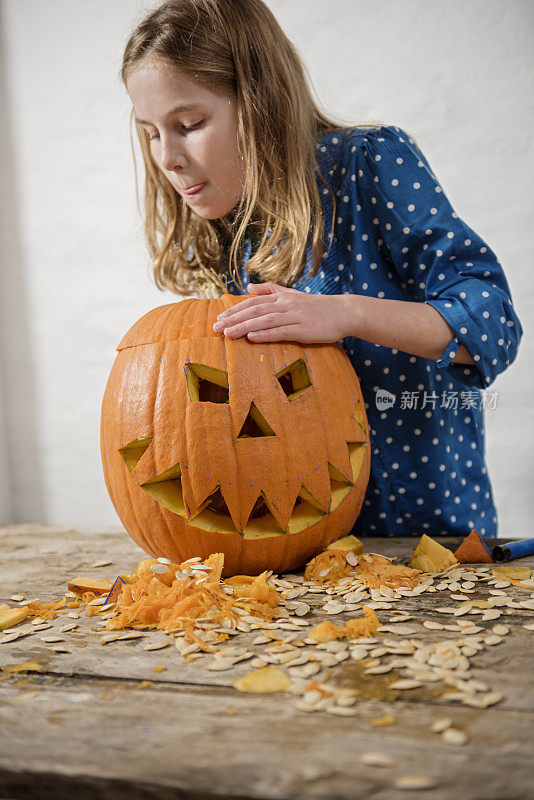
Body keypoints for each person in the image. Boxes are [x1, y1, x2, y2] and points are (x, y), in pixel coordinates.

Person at [121, 0, 523, 539]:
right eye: (150, 132)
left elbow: (491, 326)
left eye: (189, 124)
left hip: (432, 544)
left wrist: (345, 314)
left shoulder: (367, 166)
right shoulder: (228, 228)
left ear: (259, 103)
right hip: (307, 561)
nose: (167, 157)